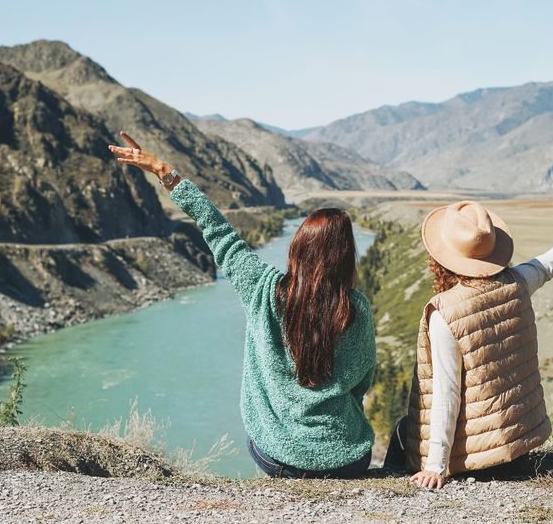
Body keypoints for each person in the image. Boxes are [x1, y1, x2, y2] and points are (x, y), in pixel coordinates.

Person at [109, 131, 376, 478]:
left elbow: (219, 232)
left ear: (297, 248)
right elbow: (363, 378)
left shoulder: (263, 288)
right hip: (346, 459)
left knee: (260, 436)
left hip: (278, 457)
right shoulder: (355, 308)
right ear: (344, 256)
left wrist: (164, 171)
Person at [384, 195, 553, 489]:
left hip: (477, 457)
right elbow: (549, 264)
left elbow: (446, 392)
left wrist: (436, 466)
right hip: (517, 446)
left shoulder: (445, 313)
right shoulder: (517, 283)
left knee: (403, 430)